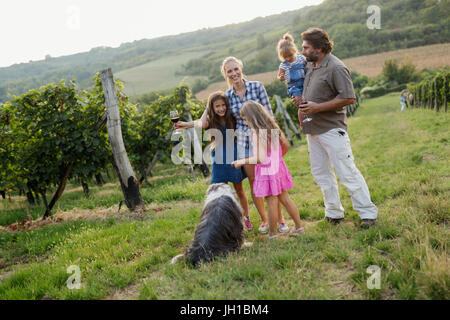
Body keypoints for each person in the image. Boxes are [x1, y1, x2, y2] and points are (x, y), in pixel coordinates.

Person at [292, 28, 378, 228]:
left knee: (347, 172)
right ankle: (334, 213)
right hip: (312, 130)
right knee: (321, 173)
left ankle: (367, 214)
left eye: (306, 47)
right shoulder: (311, 66)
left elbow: (348, 97)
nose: (302, 51)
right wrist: (300, 103)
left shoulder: (336, 67)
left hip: (331, 130)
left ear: (319, 48)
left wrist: (316, 107)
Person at [198, 56, 289, 234]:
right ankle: (264, 220)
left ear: (241, 68)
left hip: (263, 140)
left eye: (235, 69)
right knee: (255, 183)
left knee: (272, 182)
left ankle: (280, 220)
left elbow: (268, 115)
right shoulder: (228, 96)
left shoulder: (257, 87)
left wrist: (274, 142)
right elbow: (209, 116)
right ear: (225, 74)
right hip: (243, 144)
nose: (234, 73)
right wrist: (207, 106)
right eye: (229, 71)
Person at [174, 92, 252, 230]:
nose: (221, 108)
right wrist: (187, 122)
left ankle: (246, 218)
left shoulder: (231, 116)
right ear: (212, 108)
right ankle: (224, 221)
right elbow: (202, 123)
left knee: (239, 190)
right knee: (220, 191)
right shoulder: (211, 120)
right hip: (219, 158)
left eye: (223, 105)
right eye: (217, 106)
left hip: (233, 156)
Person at [232, 101, 304, 240]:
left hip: (267, 171)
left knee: (271, 201)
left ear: (252, 117)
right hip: (278, 168)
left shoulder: (257, 133)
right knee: (285, 198)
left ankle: (273, 234)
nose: (246, 123)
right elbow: (285, 146)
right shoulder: (272, 127)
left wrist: (242, 161)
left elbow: (260, 158)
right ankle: (299, 227)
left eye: (246, 119)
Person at [277, 33, 307, 100]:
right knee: (299, 100)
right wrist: (281, 78)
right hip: (294, 87)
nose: (288, 58)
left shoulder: (301, 58)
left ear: (294, 50)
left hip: (306, 83)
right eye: (285, 57)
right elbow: (279, 77)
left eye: (290, 55)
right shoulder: (283, 65)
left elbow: (309, 67)